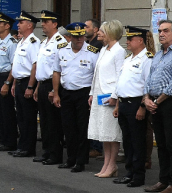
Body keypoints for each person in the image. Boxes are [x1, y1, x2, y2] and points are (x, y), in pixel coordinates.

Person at [143, 19, 172, 193]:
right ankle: (163, 179)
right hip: (155, 103)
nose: (161, 34)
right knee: (161, 143)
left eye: (165, 31)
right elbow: (150, 78)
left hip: (170, 103)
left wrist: (157, 101)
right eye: (160, 31)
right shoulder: (158, 54)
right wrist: (147, 98)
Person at [52, 22, 99, 172]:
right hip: (66, 92)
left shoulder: (92, 52)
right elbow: (56, 72)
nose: (80, 40)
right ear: (70, 37)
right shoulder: (61, 50)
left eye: (82, 36)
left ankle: (80, 160)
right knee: (68, 127)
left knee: (82, 127)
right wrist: (56, 93)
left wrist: (92, 94)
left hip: (83, 93)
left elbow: (96, 76)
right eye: (76, 37)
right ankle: (70, 158)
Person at [112, 26, 153, 187]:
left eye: (130, 39)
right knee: (127, 141)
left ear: (140, 40)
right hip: (123, 103)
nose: (127, 42)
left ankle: (138, 175)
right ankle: (129, 172)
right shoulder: (128, 59)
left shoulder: (147, 59)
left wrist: (143, 107)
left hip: (136, 103)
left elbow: (148, 86)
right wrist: (117, 105)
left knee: (137, 141)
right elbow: (120, 83)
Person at [89, 20, 126, 178]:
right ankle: (106, 163)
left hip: (110, 95)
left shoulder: (119, 51)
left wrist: (115, 96)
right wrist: (92, 93)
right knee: (103, 132)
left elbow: (120, 75)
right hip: (99, 93)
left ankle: (112, 165)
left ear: (111, 33)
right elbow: (96, 73)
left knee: (111, 132)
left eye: (102, 31)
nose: (99, 33)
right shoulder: (104, 49)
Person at [33, 10, 68, 164]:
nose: (42, 25)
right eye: (42, 22)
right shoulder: (44, 42)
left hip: (52, 85)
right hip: (42, 84)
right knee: (45, 121)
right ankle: (47, 151)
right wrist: (37, 87)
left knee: (53, 122)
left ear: (55, 24)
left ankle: (55, 154)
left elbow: (60, 69)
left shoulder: (60, 42)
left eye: (46, 22)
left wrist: (55, 90)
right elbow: (41, 68)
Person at [6, 11, 42, 157]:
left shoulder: (33, 42)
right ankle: (22, 145)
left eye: (21, 22)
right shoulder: (22, 41)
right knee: (20, 116)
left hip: (27, 81)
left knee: (28, 117)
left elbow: (35, 65)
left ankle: (28, 147)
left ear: (29, 25)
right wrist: (14, 83)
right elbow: (18, 65)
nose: (18, 25)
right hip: (19, 81)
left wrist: (30, 86)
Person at [0, 13, 18, 151]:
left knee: (7, 112)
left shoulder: (12, 43)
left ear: (7, 26)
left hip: (6, 77)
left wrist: (8, 83)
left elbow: (14, 65)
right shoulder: (0, 42)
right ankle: (3, 138)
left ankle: (10, 141)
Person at [84, 19, 104, 158]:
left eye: (87, 27)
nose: (85, 29)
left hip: (99, 87)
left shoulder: (97, 45)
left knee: (97, 117)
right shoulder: (89, 44)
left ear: (96, 30)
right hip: (91, 87)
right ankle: (92, 145)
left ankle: (97, 147)